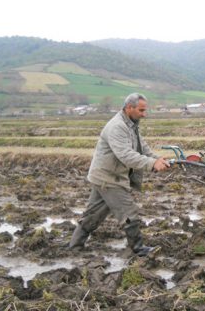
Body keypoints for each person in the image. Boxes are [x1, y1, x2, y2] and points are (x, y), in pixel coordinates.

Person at [69, 93, 170, 256]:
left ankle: (74, 246)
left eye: (145, 110)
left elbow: (142, 148)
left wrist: (158, 159)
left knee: (93, 216)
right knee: (129, 213)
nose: (144, 114)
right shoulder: (117, 126)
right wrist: (152, 164)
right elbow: (126, 155)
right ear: (129, 108)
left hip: (104, 176)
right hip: (109, 178)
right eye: (141, 110)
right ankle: (137, 249)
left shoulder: (131, 125)